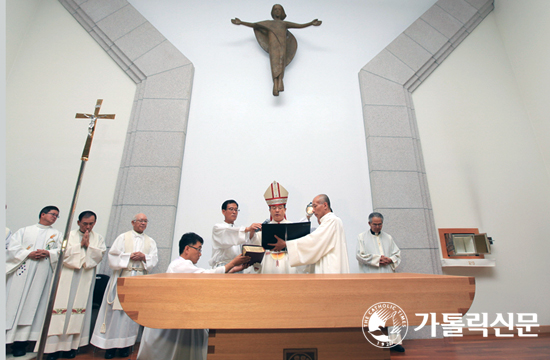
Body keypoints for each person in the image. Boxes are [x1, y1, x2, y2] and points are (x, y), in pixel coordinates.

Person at [137, 232, 250, 360]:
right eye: (198, 249)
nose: (200, 254)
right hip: (172, 321)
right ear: (187, 249)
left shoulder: (187, 266)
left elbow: (204, 274)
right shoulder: (179, 265)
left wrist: (234, 269)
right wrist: (233, 262)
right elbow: (206, 275)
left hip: (182, 316)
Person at [90, 213, 158, 359]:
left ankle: (126, 346)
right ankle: (110, 347)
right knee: (116, 314)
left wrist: (144, 257)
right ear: (133, 222)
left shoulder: (150, 241)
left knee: (131, 315)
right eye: (140, 221)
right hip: (123, 276)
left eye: (145, 221)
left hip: (139, 279)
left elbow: (154, 259)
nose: (143, 223)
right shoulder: (122, 237)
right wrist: (129, 257)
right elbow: (113, 256)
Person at [40, 211, 106, 360]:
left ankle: (71, 347)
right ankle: (52, 349)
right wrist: (79, 246)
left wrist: (89, 247)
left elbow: (99, 255)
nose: (88, 227)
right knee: (60, 310)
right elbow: (59, 253)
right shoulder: (68, 236)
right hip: (67, 275)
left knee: (77, 312)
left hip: (84, 276)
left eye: (91, 224)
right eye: (85, 224)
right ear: (78, 222)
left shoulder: (98, 238)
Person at [6, 206, 62, 357]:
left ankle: (21, 344)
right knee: (14, 305)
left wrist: (48, 252)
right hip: (22, 271)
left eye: (57, 216)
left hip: (42, 274)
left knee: (33, 307)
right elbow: (12, 249)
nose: (55, 217)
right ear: (43, 214)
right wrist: (28, 253)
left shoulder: (56, 234)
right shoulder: (24, 231)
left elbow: (63, 251)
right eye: (52, 214)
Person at [231, 4, 322, 96]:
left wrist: (310, 23)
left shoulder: (284, 24)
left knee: (281, 61)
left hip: (282, 44)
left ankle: (280, 81)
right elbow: (255, 25)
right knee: (274, 62)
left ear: (282, 12)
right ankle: (275, 84)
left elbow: (299, 26)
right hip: (273, 45)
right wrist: (241, 22)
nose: (277, 11)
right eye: (275, 9)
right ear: (272, 12)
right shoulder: (268, 23)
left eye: (279, 9)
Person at [356, 212, 404, 352]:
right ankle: (373, 342)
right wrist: (377, 259)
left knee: (392, 308)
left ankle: (395, 342)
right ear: (369, 223)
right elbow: (360, 255)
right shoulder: (361, 237)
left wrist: (391, 260)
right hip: (371, 277)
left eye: (380, 224)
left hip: (388, 277)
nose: (377, 227)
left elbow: (397, 253)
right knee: (372, 310)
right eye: (375, 224)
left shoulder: (388, 237)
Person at [270, 194, 349, 273]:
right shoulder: (328, 222)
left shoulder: (332, 221)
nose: (313, 210)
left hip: (330, 269)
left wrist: (286, 245)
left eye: (315, 206)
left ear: (325, 205)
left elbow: (314, 241)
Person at [252, 181, 311, 274]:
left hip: (288, 263)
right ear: (270, 210)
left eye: (280, 207)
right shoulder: (264, 229)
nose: (277, 211)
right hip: (269, 263)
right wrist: (252, 233)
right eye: (274, 208)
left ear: (285, 210)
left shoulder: (292, 227)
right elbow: (255, 248)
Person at [209, 200, 261, 269]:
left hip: (239, 265)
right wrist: (248, 229)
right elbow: (230, 233)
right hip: (223, 266)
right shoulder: (218, 228)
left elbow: (246, 243)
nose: (234, 212)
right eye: (231, 209)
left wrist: (252, 231)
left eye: (236, 210)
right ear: (223, 211)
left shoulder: (239, 230)